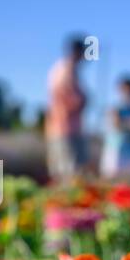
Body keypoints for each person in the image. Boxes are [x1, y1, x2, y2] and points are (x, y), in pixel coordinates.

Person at [45, 35, 88, 182]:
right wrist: (83, 100)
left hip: (59, 128)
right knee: (69, 174)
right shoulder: (67, 69)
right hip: (67, 128)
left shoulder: (59, 68)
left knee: (62, 172)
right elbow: (70, 98)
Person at [100, 75, 130, 179]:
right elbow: (115, 124)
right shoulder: (115, 108)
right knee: (113, 179)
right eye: (125, 90)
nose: (128, 93)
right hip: (116, 149)